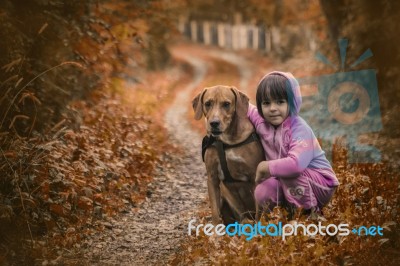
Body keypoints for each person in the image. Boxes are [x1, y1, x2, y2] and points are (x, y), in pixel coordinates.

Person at [247, 71, 339, 217]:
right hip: (286, 181)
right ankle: (280, 217)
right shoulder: (262, 122)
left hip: (319, 184)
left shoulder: (299, 129)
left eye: (280, 102)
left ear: (292, 103)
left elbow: (296, 165)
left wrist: (265, 166)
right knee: (262, 191)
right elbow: (243, 106)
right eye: (266, 103)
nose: (272, 108)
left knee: (290, 173)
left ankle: (308, 214)